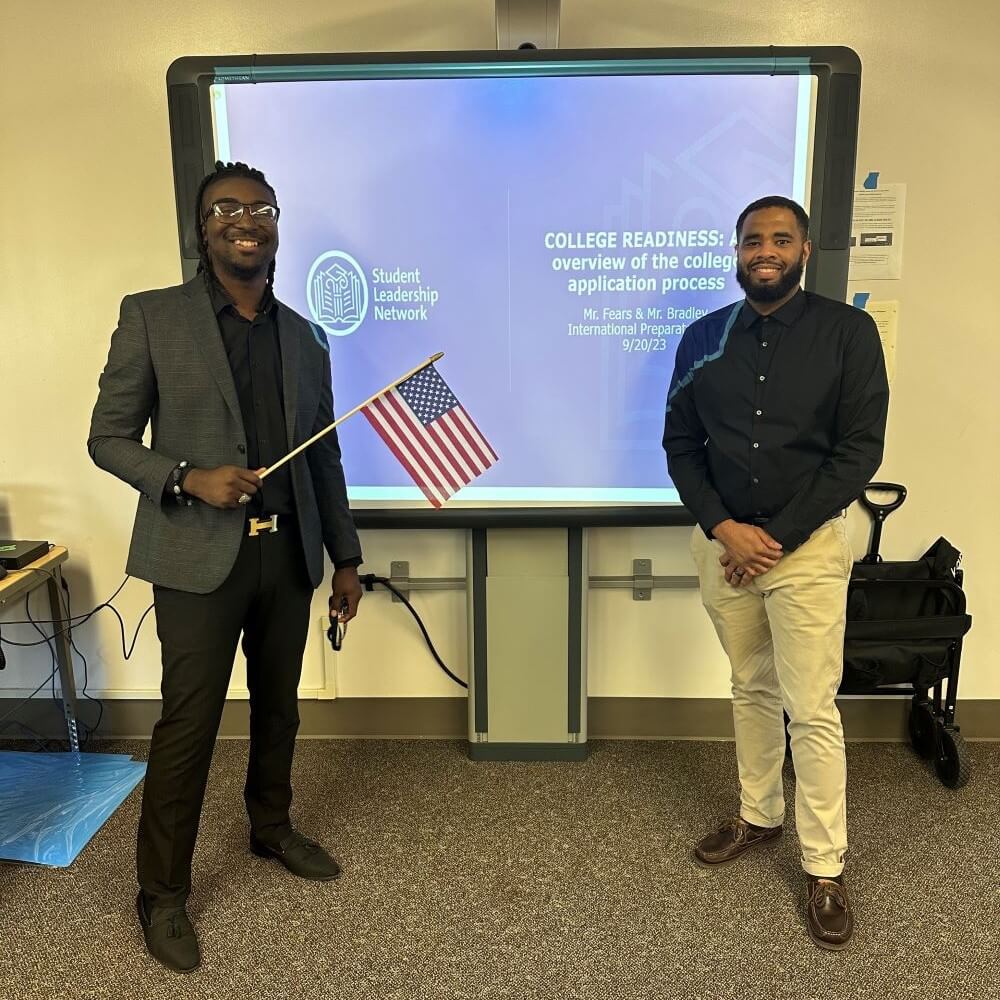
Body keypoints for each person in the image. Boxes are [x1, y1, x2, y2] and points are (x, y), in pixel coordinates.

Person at [88, 161, 364, 973]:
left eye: (260, 209)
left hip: (288, 554)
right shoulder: (151, 318)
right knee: (189, 724)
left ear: (276, 227)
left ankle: (270, 827)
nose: (246, 220)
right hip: (196, 558)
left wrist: (345, 557)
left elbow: (327, 456)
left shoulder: (307, 336)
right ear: (202, 230)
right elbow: (107, 440)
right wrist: (184, 478)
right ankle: (161, 894)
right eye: (226, 209)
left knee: (280, 707)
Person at [662, 195, 889, 950]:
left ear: (804, 250)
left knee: (811, 706)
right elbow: (680, 444)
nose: (766, 249)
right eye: (753, 239)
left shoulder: (848, 333)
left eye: (780, 239)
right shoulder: (701, 338)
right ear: (737, 251)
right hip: (724, 548)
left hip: (809, 550)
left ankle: (824, 866)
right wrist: (726, 529)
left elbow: (858, 451)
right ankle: (759, 815)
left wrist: (775, 538)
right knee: (750, 685)